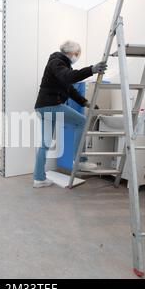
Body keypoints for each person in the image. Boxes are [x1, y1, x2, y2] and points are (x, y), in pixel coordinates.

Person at [33, 40, 107, 188]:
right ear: (72, 53)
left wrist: (85, 102)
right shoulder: (57, 62)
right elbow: (69, 77)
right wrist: (91, 69)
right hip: (51, 106)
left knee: (45, 144)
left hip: (42, 107)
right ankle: (80, 160)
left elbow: (70, 89)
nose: (77, 56)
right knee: (82, 121)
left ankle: (39, 178)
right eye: (77, 54)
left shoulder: (60, 64)